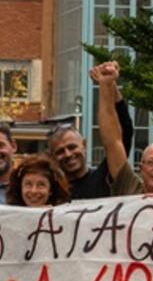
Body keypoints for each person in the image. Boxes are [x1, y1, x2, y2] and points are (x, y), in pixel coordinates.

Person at [47, 61, 137, 200]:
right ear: (52, 156)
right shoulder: (50, 190)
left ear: (84, 144)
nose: (68, 154)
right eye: (60, 151)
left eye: (72, 147)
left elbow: (124, 132)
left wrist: (109, 84)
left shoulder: (106, 177)